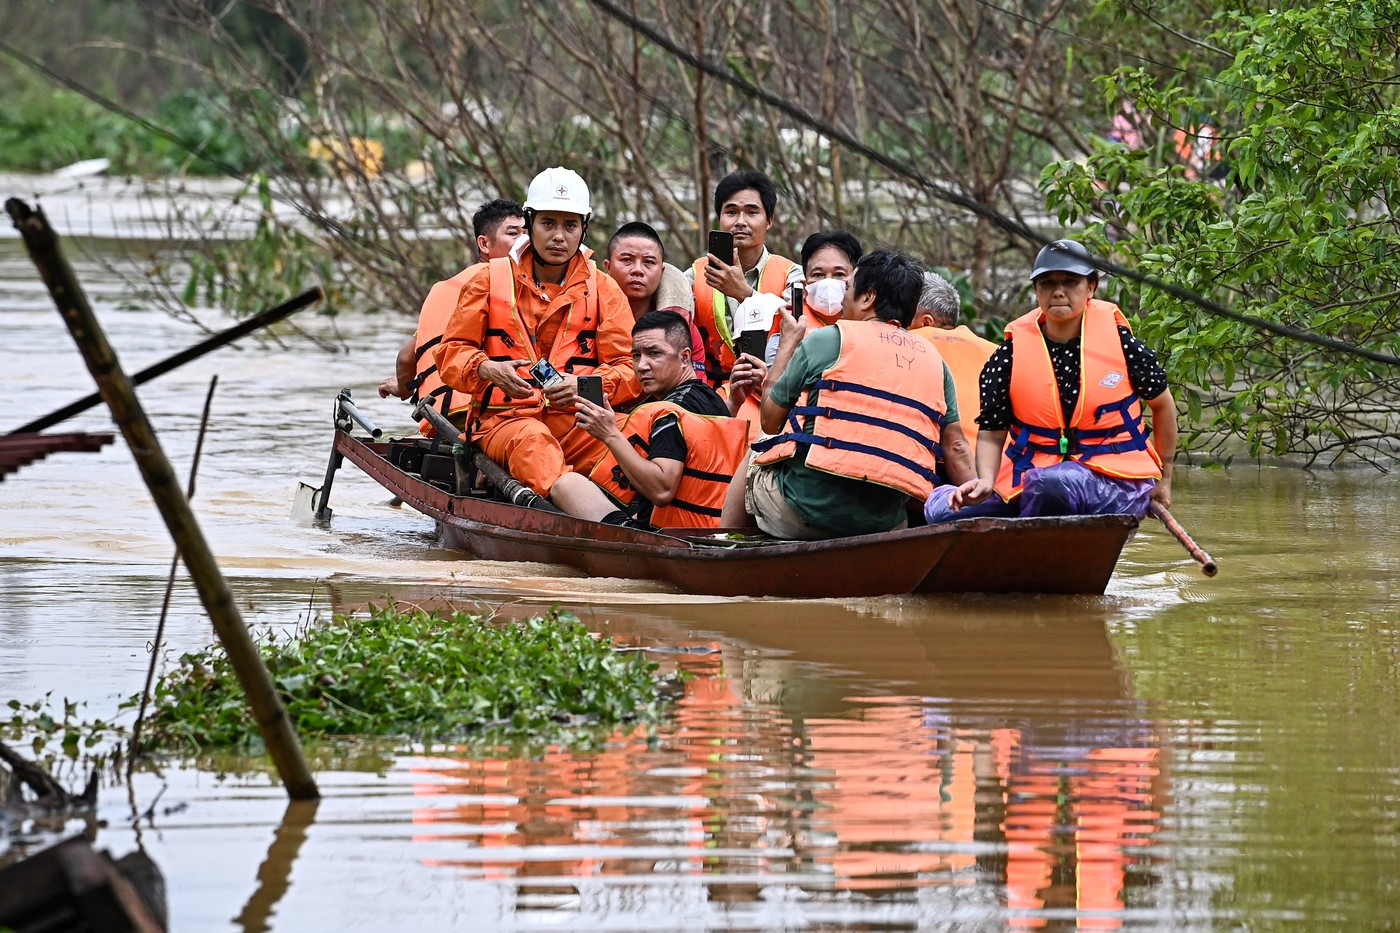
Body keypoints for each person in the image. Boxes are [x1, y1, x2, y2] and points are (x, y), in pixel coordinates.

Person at [720, 250, 975, 540]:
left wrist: (788, 344)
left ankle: (725, 547)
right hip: (885, 524)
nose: (842, 296)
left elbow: (769, 419)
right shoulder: (935, 362)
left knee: (760, 447)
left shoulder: (828, 339)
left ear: (868, 298)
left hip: (803, 513)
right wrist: (980, 502)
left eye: (849, 287)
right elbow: (956, 447)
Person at [926, 239, 1177, 524]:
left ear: (1091, 287)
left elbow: (1163, 405)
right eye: (1047, 283)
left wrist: (1165, 479)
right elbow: (993, 431)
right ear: (1036, 290)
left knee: (1052, 484)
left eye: (1070, 282)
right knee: (940, 511)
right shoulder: (1009, 355)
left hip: (1114, 479)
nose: (1058, 292)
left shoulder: (1123, 345)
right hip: (1034, 475)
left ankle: (1030, 535)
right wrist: (985, 479)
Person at [433, 167, 640, 513]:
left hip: (578, 422)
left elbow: (630, 369)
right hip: (505, 422)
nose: (559, 236)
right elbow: (451, 354)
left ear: (584, 228)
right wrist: (487, 368)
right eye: (548, 224)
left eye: (570, 225)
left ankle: (642, 514)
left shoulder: (604, 288)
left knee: (641, 429)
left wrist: (584, 385)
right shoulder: (488, 280)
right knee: (534, 442)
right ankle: (603, 523)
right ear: (529, 223)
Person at [568, 311, 746, 528]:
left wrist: (610, 434)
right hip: (715, 529)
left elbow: (662, 491)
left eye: (654, 353)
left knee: (568, 484)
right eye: (636, 356)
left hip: (662, 535)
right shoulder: (714, 400)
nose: (642, 366)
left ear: (685, 357)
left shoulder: (668, 412)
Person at [379, 198, 525, 434]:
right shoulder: (505, 283)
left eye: (527, 234)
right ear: (484, 244)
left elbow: (406, 356)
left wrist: (403, 389)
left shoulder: (444, 288)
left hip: (439, 419)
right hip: (488, 414)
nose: (524, 241)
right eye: (513, 233)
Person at [687, 169, 804, 386]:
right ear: (719, 219)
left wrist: (745, 294)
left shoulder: (792, 274)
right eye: (731, 212)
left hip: (773, 389)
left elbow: (797, 333)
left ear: (769, 220)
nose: (740, 221)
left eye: (751, 212)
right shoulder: (694, 275)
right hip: (712, 393)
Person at [603, 221, 706, 379]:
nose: (637, 270)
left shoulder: (682, 329)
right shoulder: (587, 316)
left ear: (662, 271)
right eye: (627, 260)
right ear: (608, 267)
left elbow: (696, 389)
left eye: (649, 262)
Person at [908, 270, 997, 446]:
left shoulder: (912, 346)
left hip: (949, 458)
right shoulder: (997, 353)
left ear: (926, 322)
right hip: (1002, 460)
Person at [759, 229, 864, 364]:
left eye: (839, 274)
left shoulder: (870, 320)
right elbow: (774, 371)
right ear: (804, 286)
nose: (828, 282)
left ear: (856, 281)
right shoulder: (788, 322)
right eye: (818, 274)